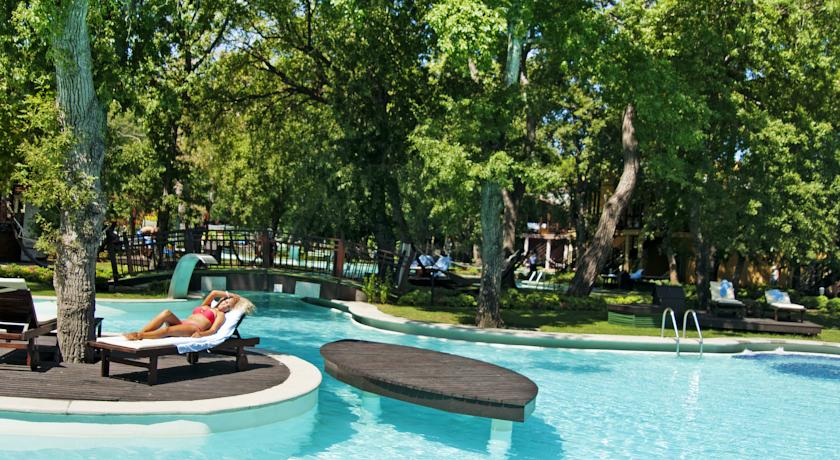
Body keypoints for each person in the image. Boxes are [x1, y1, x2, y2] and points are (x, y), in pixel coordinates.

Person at [124, 290, 255, 340]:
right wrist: (232, 296)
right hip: (183, 323)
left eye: (229, 307)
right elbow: (214, 293)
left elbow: (213, 330)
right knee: (166, 313)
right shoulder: (207, 305)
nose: (225, 305)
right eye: (226, 302)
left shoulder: (220, 315)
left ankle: (140, 336)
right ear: (222, 300)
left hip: (193, 328)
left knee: (168, 331)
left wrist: (201, 334)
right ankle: (141, 332)